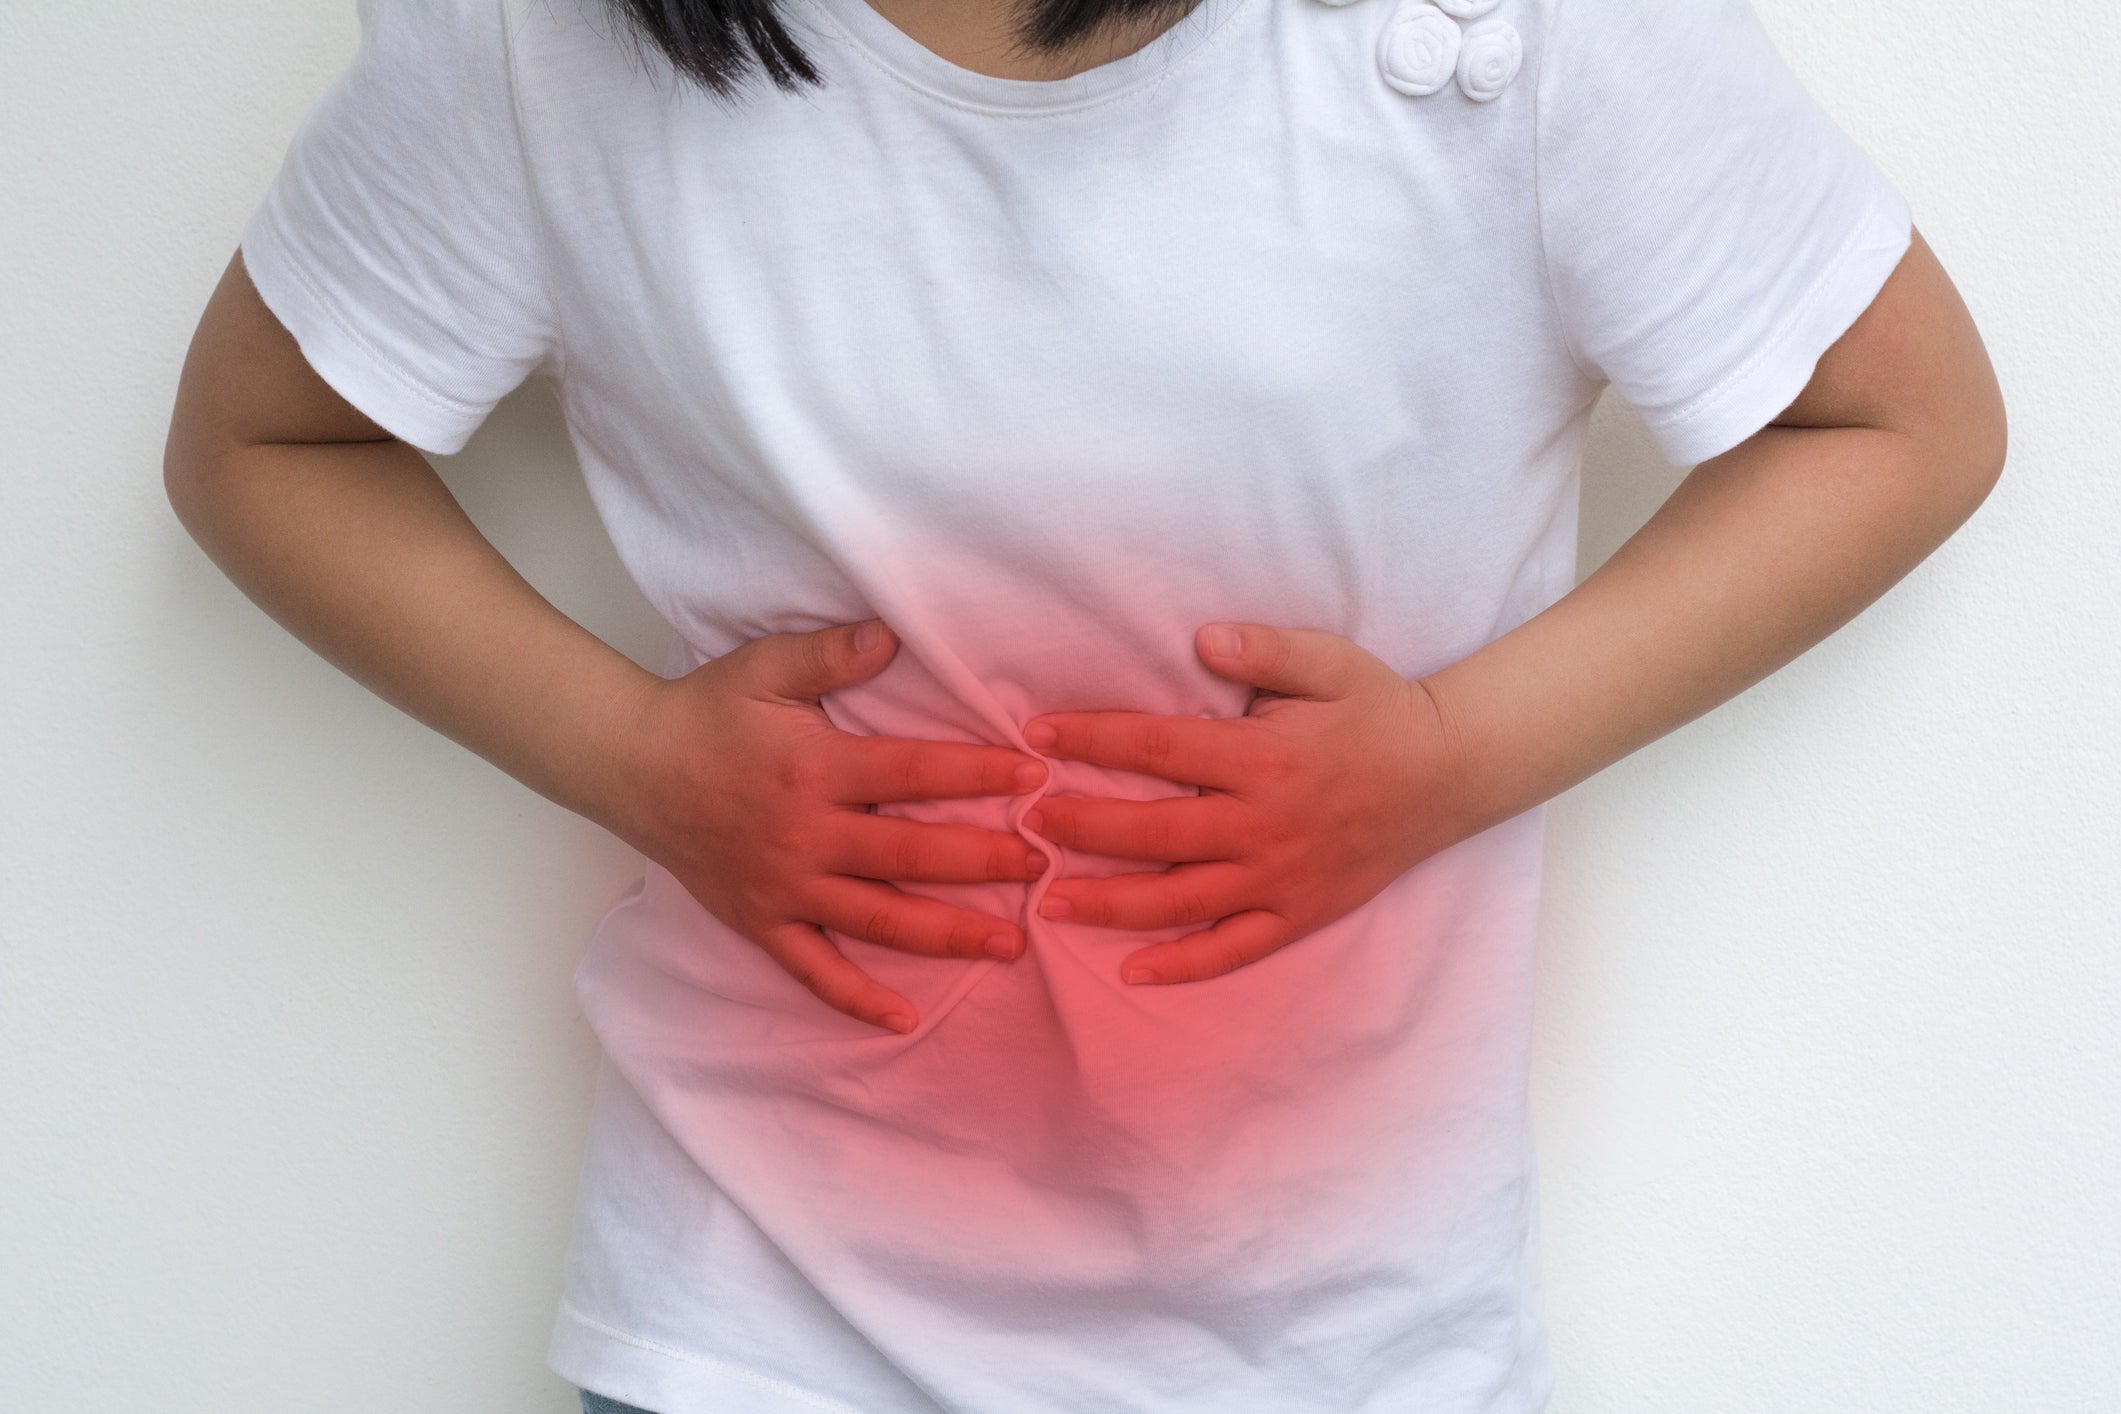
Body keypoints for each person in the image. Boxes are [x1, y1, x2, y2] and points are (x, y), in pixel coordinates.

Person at [162, 0, 2005, 1405]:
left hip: (1340, 1328)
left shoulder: (1504, 37)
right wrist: (632, 755)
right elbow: (263, 441)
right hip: (750, 1314)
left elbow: (1900, 421)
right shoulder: (542, 42)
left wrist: (1450, 758)